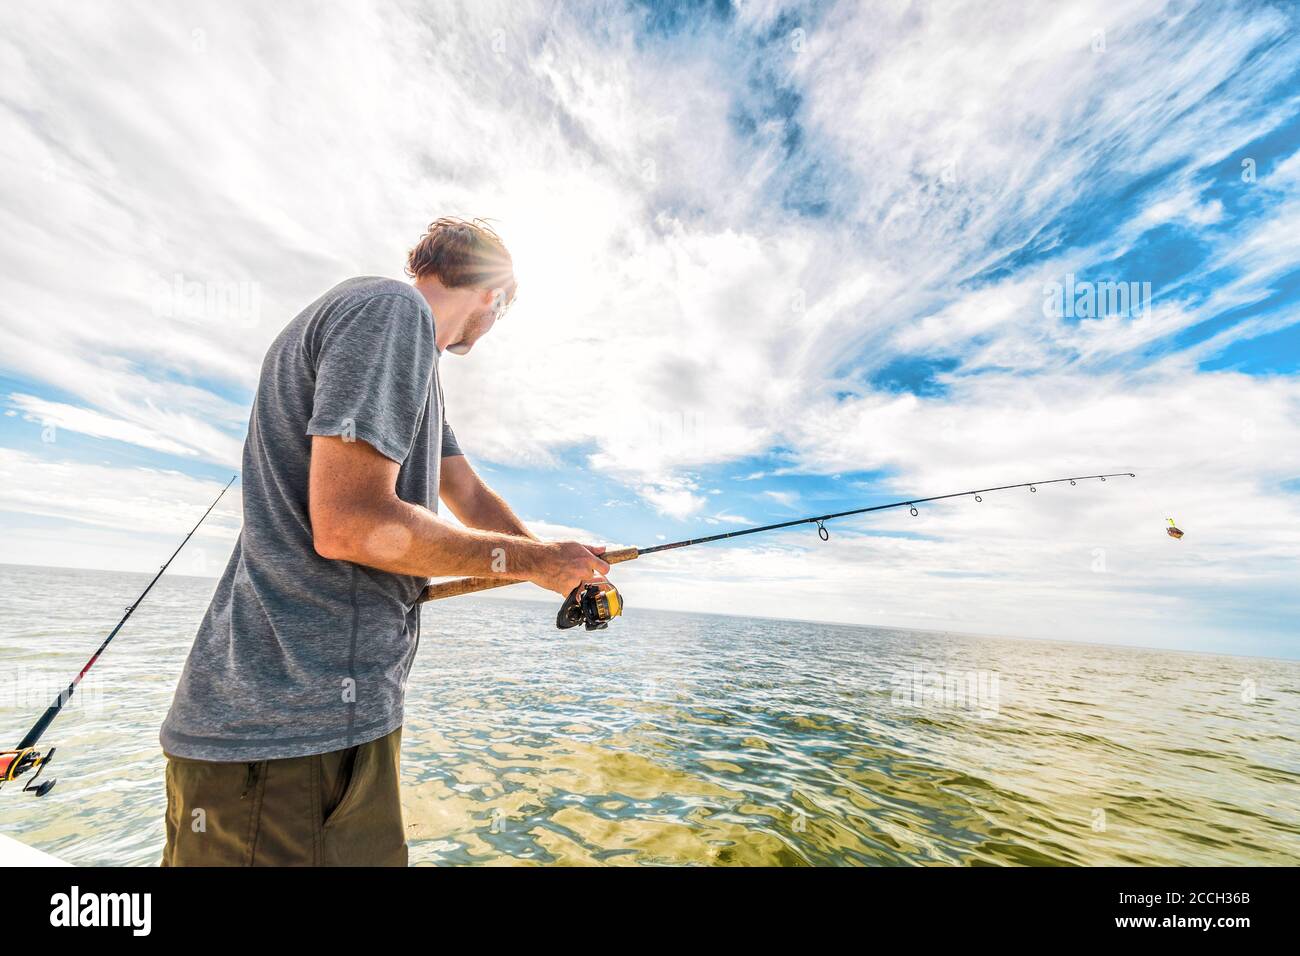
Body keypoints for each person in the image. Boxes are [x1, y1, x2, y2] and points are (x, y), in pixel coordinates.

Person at [159, 218, 610, 866]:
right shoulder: (389, 311)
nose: (496, 319)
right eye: (503, 305)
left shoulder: (411, 357)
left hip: (314, 732)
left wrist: (561, 568)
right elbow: (351, 523)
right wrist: (538, 562)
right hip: (290, 734)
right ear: (490, 292)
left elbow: (470, 494)